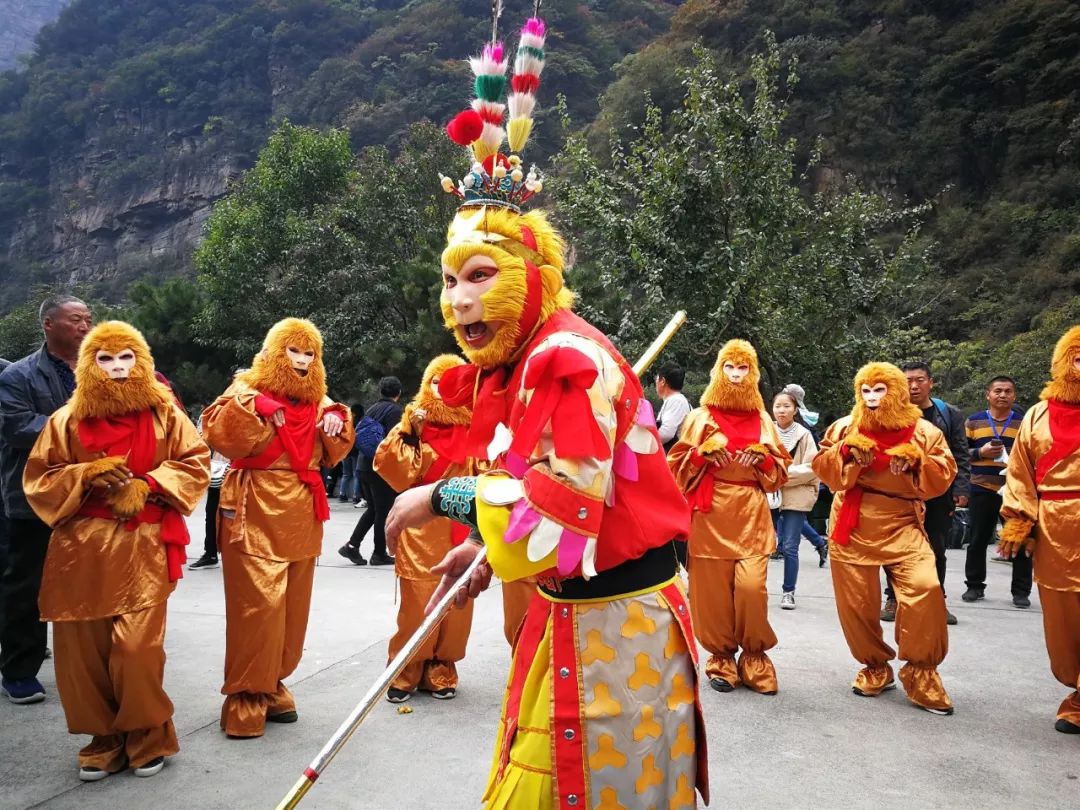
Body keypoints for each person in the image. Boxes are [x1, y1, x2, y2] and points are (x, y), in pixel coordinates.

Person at [385, 17, 707, 805]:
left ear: (532, 274)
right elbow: (533, 495)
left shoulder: (571, 361)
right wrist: (489, 554)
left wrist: (441, 498)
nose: (458, 300)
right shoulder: (519, 365)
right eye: (449, 279)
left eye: (480, 275)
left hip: (616, 636)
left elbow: (562, 514)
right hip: (569, 621)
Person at [24, 321, 210, 780]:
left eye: (126, 357)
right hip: (80, 549)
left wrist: (149, 484)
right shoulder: (64, 420)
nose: (117, 368)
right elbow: (39, 479)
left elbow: (195, 460)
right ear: (88, 365)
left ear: (142, 361)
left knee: (137, 649)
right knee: (82, 652)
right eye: (105, 359)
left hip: (143, 546)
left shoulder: (166, 413)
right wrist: (85, 475)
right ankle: (103, 738)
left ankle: (148, 734)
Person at [201, 317, 354, 739]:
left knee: (292, 607)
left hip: (303, 509)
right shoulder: (244, 390)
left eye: (310, 353)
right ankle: (245, 695)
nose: (303, 361)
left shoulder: (321, 401)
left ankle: (272, 683)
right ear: (273, 353)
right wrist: (253, 409)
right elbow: (219, 434)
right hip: (254, 505)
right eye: (294, 351)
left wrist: (338, 422)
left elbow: (335, 452)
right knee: (257, 609)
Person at [813, 362, 957, 715]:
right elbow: (823, 464)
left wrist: (917, 462)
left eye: (880, 389)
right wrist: (845, 453)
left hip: (903, 520)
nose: (872, 396)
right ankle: (875, 666)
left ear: (896, 391)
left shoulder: (924, 432)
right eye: (866, 390)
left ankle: (923, 673)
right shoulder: (846, 427)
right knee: (857, 605)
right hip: (853, 519)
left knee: (925, 588)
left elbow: (944, 473)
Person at [669, 340, 789, 694]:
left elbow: (780, 469)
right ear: (718, 371)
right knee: (712, 595)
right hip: (709, 513)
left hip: (750, 513)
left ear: (752, 374)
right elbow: (674, 467)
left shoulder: (763, 419)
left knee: (752, 588)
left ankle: (754, 657)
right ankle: (720, 658)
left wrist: (765, 461)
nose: (736, 376)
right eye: (729, 368)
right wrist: (700, 457)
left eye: (743, 369)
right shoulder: (699, 417)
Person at [0, 294, 91, 705]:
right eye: (75, 319)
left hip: (87, 495)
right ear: (49, 324)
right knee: (27, 585)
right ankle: (19, 669)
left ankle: (89, 662)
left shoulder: (101, 369)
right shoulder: (18, 375)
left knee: (87, 581)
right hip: (32, 498)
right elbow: (18, 427)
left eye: (88, 318)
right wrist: (82, 433)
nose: (85, 326)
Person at [373, 355, 476, 702]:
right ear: (426, 386)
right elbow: (391, 469)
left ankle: (441, 667)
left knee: (459, 600)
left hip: (463, 524)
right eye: (437, 382)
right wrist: (407, 434)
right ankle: (405, 669)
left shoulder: (477, 427)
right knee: (417, 601)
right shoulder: (412, 424)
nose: (444, 390)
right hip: (421, 527)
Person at [999, 325, 1080, 735]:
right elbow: (1020, 471)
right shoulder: (1037, 414)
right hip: (1055, 523)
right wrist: (1018, 519)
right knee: (1061, 613)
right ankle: (1076, 692)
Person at [880, 362, 968, 626]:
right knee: (895, 548)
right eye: (907, 381)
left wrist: (961, 488)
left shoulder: (948, 414)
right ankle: (893, 597)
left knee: (936, 547)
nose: (914, 386)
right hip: (899, 492)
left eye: (919, 380)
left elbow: (960, 454)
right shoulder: (889, 413)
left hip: (938, 493)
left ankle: (936, 598)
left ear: (931, 382)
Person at [961, 376, 1030, 607]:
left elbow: (1035, 453)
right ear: (987, 394)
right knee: (978, 539)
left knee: (1019, 539)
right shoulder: (974, 421)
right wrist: (981, 452)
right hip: (981, 486)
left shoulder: (1024, 422)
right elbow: (960, 454)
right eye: (998, 391)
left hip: (1015, 490)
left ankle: (1021, 592)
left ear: (1014, 395)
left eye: (1008, 391)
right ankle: (974, 586)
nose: (1002, 395)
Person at [771, 388, 827, 610]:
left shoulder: (804, 435)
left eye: (786, 406)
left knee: (790, 546)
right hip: (770, 496)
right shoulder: (766, 431)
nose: (782, 410)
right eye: (778, 406)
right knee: (763, 544)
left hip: (796, 495)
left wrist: (782, 476)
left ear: (795, 409)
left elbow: (813, 467)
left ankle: (788, 592)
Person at [345, 376, 403, 566]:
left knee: (373, 509)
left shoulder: (372, 408)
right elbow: (395, 440)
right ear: (398, 393)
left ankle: (352, 546)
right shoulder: (395, 411)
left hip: (363, 465)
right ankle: (379, 553)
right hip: (379, 468)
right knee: (382, 511)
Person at [188, 413, 229, 570]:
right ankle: (211, 553)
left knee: (241, 516)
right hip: (220, 468)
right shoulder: (217, 412)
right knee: (211, 512)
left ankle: (239, 554)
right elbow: (201, 438)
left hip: (242, 471)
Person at [655, 363, 691, 453]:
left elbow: (666, 434)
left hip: (675, 459)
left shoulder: (676, 401)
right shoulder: (675, 400)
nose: (656, 382)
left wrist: (646, 443)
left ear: (662, 381)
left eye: (656, 378)